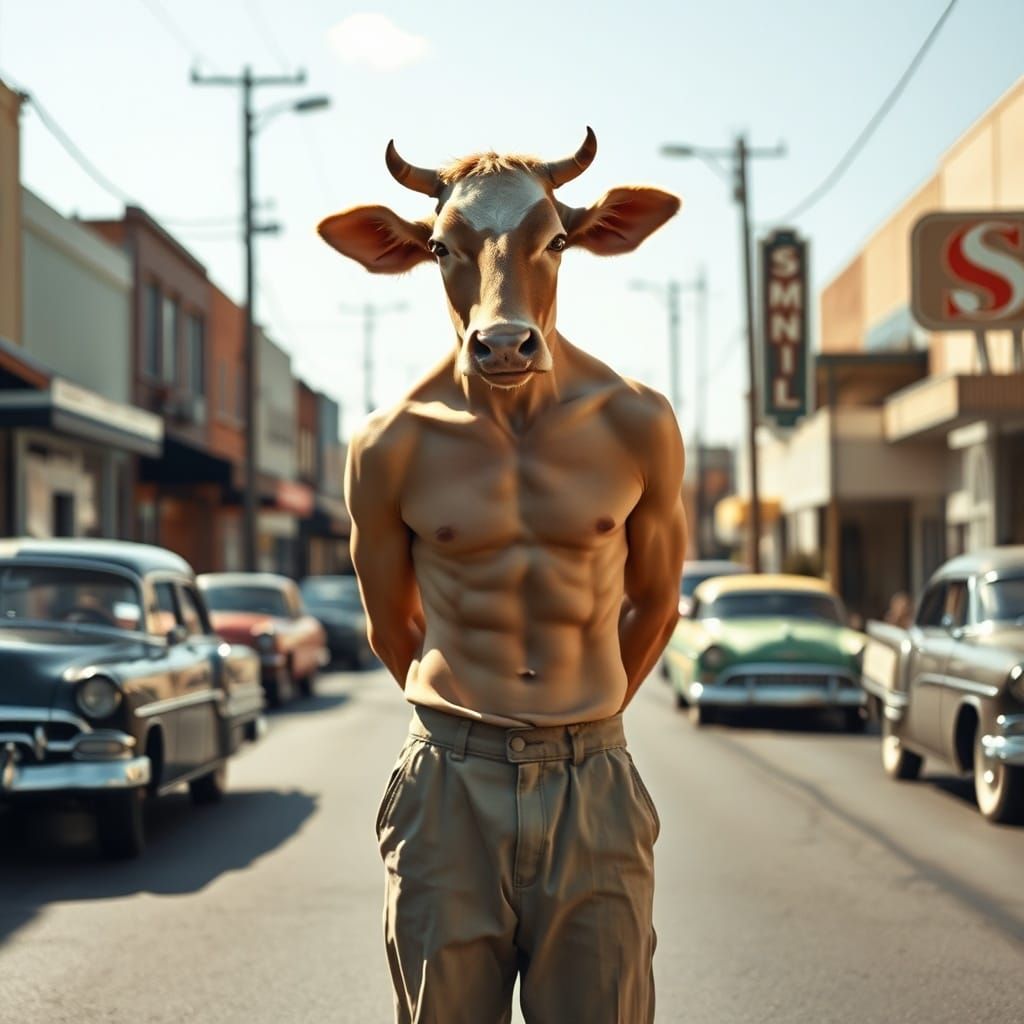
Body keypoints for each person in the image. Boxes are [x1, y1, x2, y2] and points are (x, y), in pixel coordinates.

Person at [319, 130, 686, 1024]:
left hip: (590, 780)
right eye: (456, 253)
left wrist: (583, 720)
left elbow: (658, 602)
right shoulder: (389, 443)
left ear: (584, 243)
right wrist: (472, 727)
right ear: (410, 254)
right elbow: (391, 631)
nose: (498, 294)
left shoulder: (637, 422)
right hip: (450, 781)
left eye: (542, 245)